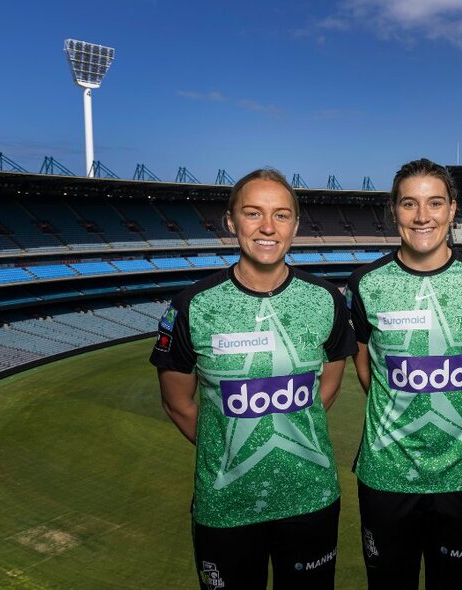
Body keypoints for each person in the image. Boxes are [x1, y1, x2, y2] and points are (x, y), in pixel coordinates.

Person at [150, 168, 357, 590]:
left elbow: (328, 386)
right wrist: (229, 443)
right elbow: (177, 402)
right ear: (231, 221)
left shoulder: (326, 300)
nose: (267, 227)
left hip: (310, 497)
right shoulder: (192, 305)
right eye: (253, 213)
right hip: (226, 505)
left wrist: (284, 431)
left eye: (281, 215)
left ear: (295, 226)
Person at [345, 158, 462, 590]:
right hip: (386, 474)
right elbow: (365, 366)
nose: (422, 216)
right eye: (409, 204)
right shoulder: (364, 283)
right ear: (394, 210)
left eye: (435, 203)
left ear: (453, 209)